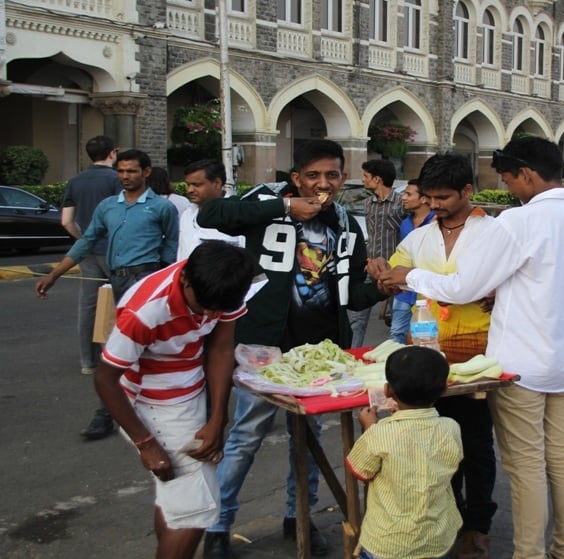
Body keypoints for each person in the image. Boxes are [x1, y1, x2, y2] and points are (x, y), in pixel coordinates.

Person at [379, 136, 564, 559]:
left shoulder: (518, 222)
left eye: (510, 179)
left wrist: (411, 277)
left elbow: (463, 287)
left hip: (520, 366)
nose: (509, 188)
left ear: (527, 174)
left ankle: (528, 553)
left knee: (526, 464)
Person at [197, 139, 385, 558]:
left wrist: (380, 288)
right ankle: (218, 523)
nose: (323, 184)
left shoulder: (347, 225)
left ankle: (296, 516)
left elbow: (350, 294)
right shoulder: (267, 200)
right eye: (313, 176)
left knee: (309, 438)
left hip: (320, 351)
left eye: (332, 175)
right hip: (267, 347)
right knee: (248, 432)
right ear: (296, 177)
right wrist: (284, 207)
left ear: (342, 177)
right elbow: (213, 214)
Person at [369, 153, 497, 558]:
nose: (436, 205)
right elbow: (395, 273)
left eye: (443, 197)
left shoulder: (491, 232)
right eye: (430, 197)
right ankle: (449, 515)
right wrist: (383, 276)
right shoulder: (421, 236)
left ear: (467, 191)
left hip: (479, 353)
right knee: (434, 443)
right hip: (426, 354)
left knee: (475, 444)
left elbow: (499, 282)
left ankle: (478, 524)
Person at [94, 240, 256, 559]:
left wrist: (218, 417)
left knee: (176, 500)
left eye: (217, 309)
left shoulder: (225, 288)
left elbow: (221, 349)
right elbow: (105, 379)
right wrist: (146, 443)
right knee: (195, 511)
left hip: (189, 392)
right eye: (204, 306)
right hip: (147, 402)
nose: (210, 315)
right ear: (184, 281)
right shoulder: (146, 310)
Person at [35, 149, 179, 440]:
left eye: (132, 171)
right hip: (117, 280)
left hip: (144, 281)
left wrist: (158, 286)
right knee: (134, 348)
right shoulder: (107, 207)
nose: (125, 176)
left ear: (146, 172)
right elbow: (87, 241)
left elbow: (170, 250)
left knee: (121, 347)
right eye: (121, 171)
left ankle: (106, 415)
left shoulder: (162, 209)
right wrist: (54, 274)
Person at [345, 346, 462, 559]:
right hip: (437, 537)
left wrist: (369, 427)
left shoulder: (380, 433)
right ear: (444, 388)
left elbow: (361, 470)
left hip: (388, 543)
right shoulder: (451, 427)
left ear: (388, 390)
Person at [60, 135, 122, 376]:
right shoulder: (116, 179)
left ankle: (88, 361)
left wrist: (83, 241)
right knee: (124, 301)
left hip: (87, 251)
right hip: (114, 251)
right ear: (112, 153)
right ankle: (120, 357)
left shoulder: (75, 181)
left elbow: (66, 221)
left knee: (88, 306)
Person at [348, 159, 407, 347]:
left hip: (394, 268)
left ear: (377, 179)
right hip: (370, 266)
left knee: (396, 318)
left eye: (366, 176)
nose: (364, 180)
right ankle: (352, 352)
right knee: (358, 318)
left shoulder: (402, 203)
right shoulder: (367, 203)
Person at [388, 177, 434, 343]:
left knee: (424, 337)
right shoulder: (405, 223)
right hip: (404, 292)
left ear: (423, 198)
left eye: (408, 194)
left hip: (426, 294)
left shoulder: (438, 223)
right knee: (396, 333)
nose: (403, 197)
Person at [177, 159, 244, 260]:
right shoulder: (187, 214)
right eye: (188, 185)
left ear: (217, 183)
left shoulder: (237, 213)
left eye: (197, 185)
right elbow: (181, 253)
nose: (189, 190)